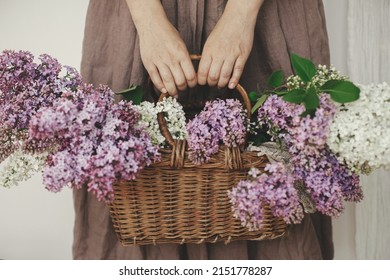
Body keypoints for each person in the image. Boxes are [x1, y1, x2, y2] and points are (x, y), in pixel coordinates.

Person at [73, 0, 333, 260]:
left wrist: (241, 14)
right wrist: (148, 19)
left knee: (289, 158)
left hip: (266, 14)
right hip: (136, 14)